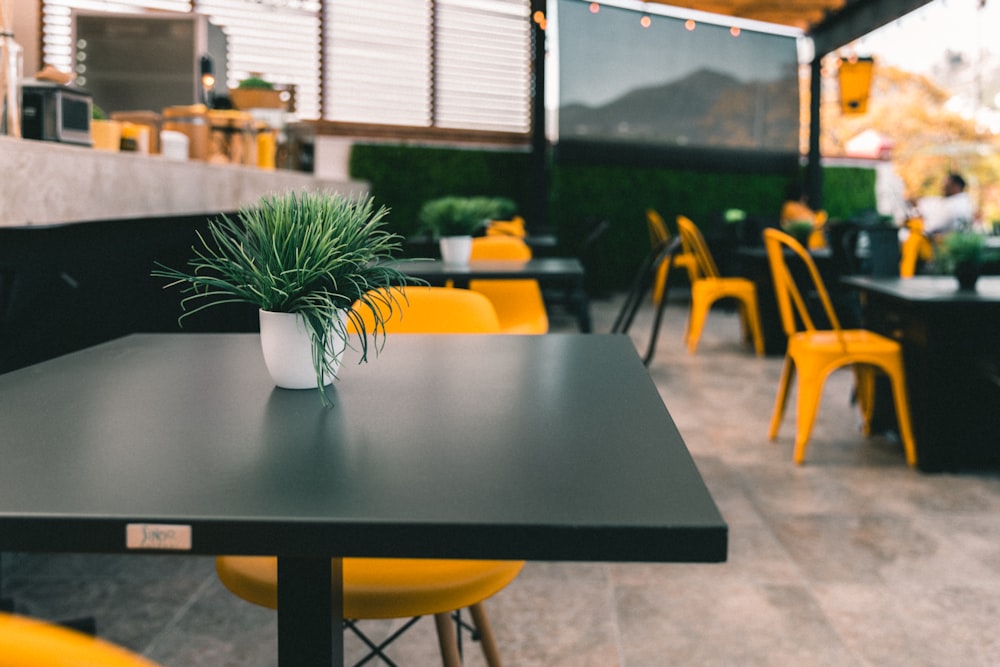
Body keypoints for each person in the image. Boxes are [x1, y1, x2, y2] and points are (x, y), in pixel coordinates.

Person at [910, 172, 975, 236]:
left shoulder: (957, 205)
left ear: (956, 187)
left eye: (946, 185)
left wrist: (921, 217)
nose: (942, 187)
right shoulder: (955, 201)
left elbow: (933, 226)